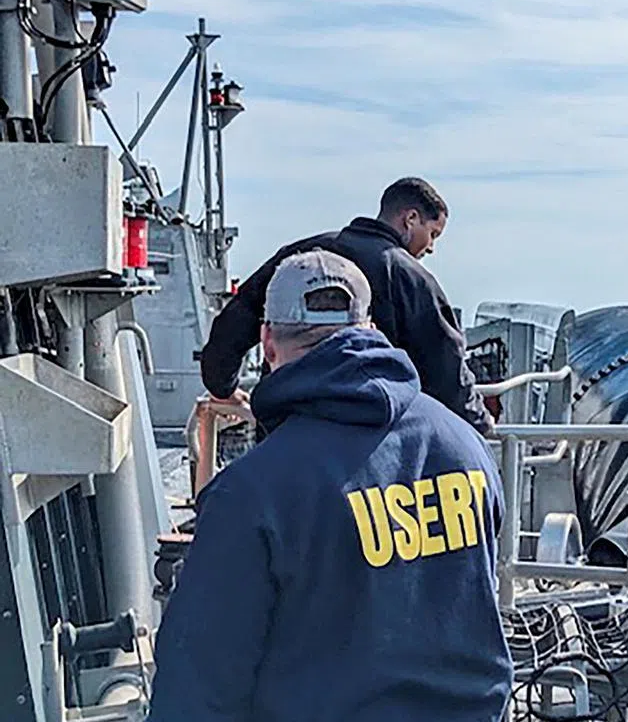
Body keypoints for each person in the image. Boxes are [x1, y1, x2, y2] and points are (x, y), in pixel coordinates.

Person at [148, 249, 513, 722]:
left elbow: (198, 689)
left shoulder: (252, 494)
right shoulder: (465, 447)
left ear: (267, 344)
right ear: (372, 331)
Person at [199, 176, 494, 436]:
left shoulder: (303, 255)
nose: (431, 247)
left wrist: (221, 386)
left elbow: (238, 317)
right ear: (410, 219)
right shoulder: (413, 280)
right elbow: (446, 368)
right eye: (433, 234)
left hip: (287, 435)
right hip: (370, 447)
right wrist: (479, 424)